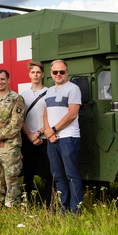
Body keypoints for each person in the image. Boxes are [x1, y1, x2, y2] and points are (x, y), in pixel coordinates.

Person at [43, 60, 83, 213]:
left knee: (71, 174)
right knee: (58, 175)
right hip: (52, 139)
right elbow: (46, 113)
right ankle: (63, 206)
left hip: (68, 137)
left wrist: (53, 130)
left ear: (67, 72)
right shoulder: (49, 91)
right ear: (51, 74)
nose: (58, 75)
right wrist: (47, 131)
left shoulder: (73, 89)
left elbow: (72, 114)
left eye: (62, 72)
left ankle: (76, 208)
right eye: (55, 72)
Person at [0, 69, 26, 209]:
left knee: (11, 177)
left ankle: (12, 207)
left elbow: (16, 124)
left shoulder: (16, 98)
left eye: (2, 79)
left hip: (9, 145)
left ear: (8, 80)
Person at [19, 61, 52, 204]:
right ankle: (28, 200)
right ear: (29, 75)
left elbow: (51, 116)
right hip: (28, 138)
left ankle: (49, 201)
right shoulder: (23, 95)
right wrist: (30, 135)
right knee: (28, 172)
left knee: (48, 172)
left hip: (45, 137)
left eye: (38, 72)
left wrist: (38, 133)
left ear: (43, 74)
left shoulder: (50, 92)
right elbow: (19, 119)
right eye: (33, 72)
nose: (36, 75)